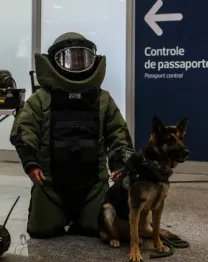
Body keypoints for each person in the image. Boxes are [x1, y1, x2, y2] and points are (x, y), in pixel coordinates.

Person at [9, 32, 133, 238]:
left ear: (93, 61)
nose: (76, 64)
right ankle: (57, 214)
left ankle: (83, 216)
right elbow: (24, 130)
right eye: (69, 59)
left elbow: (118, 133)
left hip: (93, 186)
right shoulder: (40, 99)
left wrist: (121, 164)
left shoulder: (103, 99)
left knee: (95, 230)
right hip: (50, 186)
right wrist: (31, 163)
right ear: (54, 62)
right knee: (42, 231)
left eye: (82, 58)